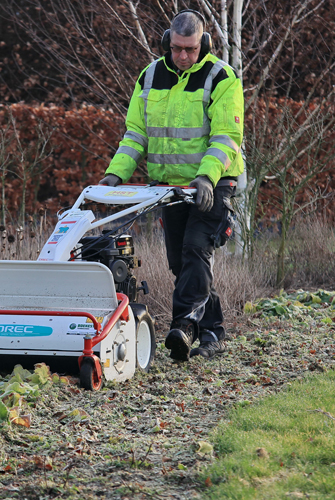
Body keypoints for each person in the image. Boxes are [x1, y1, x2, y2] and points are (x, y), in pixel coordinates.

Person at [99, 9, 244, 361]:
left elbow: (226, 137)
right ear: (167, 42)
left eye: (190, 49)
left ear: (204, 45)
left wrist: (207, 177)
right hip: (169, 187)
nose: (182, 56)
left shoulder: (221, 77)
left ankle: (183, 328)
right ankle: (212, 332)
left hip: (213, 183)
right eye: (177, 48)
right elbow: (135, 135)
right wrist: (113, 175)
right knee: (183, 264)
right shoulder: (149, 77)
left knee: (196, 249)